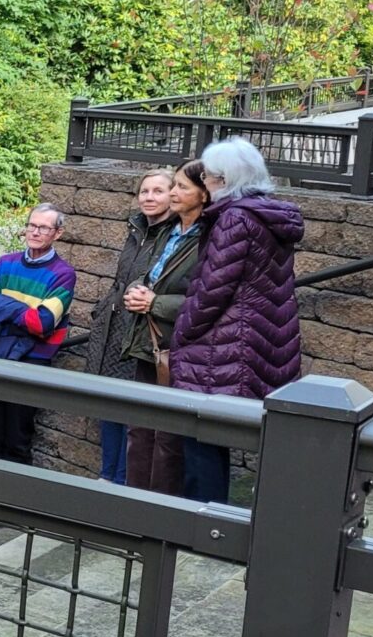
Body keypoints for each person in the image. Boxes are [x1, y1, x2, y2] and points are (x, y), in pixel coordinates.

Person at [171, 138, 306, 503]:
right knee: (236, 435)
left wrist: (182, 332)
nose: (206, 183)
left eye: (208, 176)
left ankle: (204, 528)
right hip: (266, 335)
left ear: (224, 179)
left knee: (203, 438)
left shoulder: (234, 218)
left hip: (227, 343)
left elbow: (213, 288)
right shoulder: (267, 213)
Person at [122, 162, 210, 496]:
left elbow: (209, 299)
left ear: (204, 194)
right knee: (140, 428)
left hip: (178, 348)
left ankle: (157, 515)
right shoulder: (168, 231)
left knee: (168, 437)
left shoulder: (208, 238)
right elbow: (144, 273)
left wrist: (155, 303)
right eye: (172, 186)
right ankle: (132, 503)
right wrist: (135, 290)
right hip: (148, 341)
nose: (172, 194)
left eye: (181, 188)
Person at [83, 171, 175, 485]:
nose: (149, 197)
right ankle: (107, 477)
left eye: (158, 191)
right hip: (115, 327)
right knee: (110, 402)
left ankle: (123, 483)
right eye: (144, 191)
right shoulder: (137, 228)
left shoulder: (174, 235)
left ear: (173, 195)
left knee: (132, 412)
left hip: (141, 332)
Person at [0, 206, 75, 465]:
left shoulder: (63, 274)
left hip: (32, 359)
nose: (35, 231)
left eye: (43, 227)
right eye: (32, 225)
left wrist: (5, 306)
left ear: (58, 233)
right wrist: (21, 311)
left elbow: (43, 323)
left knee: (17, 435)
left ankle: (14, 498)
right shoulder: (3, 263)